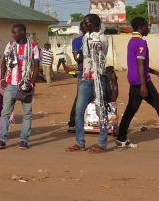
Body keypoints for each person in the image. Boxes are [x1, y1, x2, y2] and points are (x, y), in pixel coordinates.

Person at [67, 14, 110, 153]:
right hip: (86, 79)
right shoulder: (85, 38)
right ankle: (80, 142)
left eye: (86, 23)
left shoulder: (101, 37)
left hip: (98, 78)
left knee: (100, 110)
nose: (84, 26)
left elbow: (95, 53)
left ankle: (102, 143)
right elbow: (84, 59)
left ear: (94, 24)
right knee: (79, 111)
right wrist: (74, 67)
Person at [116, 17, 159, 148]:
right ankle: (121, 138)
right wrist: (144, 86)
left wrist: (155, 72)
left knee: (130, 110)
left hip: (135, 80)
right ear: (142, 27)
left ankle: (121, 138)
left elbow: (140, 64)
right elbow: (140, 63)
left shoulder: (132, 41)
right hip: (142, 82)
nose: (148, 28)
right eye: (147, 26)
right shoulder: (140, 42)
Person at [0, 24, 40, 150]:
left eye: (15, 32)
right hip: (11, 84)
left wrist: (31, 83)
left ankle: (24, 140)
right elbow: (4, 61)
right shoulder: (10, 45)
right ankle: (2, 140)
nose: (13, 35)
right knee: (5, 113)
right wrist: (2, 78)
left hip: (26, 86)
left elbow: (36, 66)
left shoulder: (33, 47)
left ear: (22, 32)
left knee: (27, 114)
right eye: (13, 32)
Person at [67, 22, 87, 132]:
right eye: (84, 27)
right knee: (80, 98)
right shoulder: (77, 41)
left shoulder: (97, 39)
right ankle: (72, 122)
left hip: (96, 73)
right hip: (83, 74)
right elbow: (76, 58)